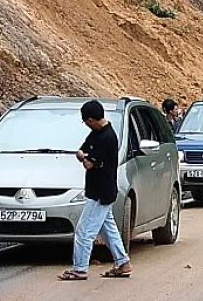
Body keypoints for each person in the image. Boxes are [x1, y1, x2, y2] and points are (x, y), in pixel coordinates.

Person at [58, 100, 132, 281]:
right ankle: (122, 262)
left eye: (85, 121)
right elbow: (82, 153)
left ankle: (80, 268)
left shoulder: (106, 137)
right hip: (99, 189)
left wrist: (84, 157)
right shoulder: (96, 134)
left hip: (100, 191)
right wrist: (85, 157)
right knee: (108, 229)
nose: (85, 124)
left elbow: (89, 163)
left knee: (85, 231)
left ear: (91, 119)